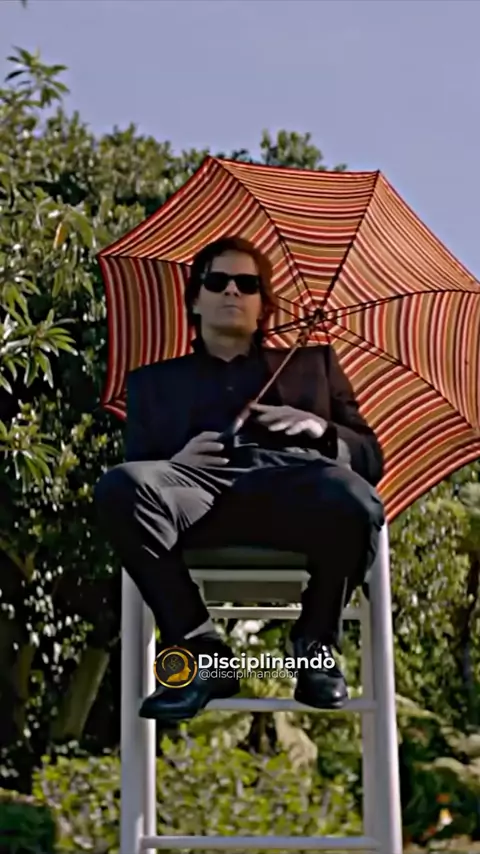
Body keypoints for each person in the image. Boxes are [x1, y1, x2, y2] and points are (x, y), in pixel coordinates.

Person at [94, 235, 385, 724]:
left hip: (294, 489)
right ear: (195, 300)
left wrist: (320, 430)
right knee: (119, 486)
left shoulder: (314, 366)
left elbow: (370, 457)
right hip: (197, 494)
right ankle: (200, 648)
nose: (232, 290)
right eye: (218, 281)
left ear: (263, 306)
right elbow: (140, 474)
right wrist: (176, 460)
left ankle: (314, 645)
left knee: (356, 498)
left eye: (247, 284)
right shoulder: (152, 381)